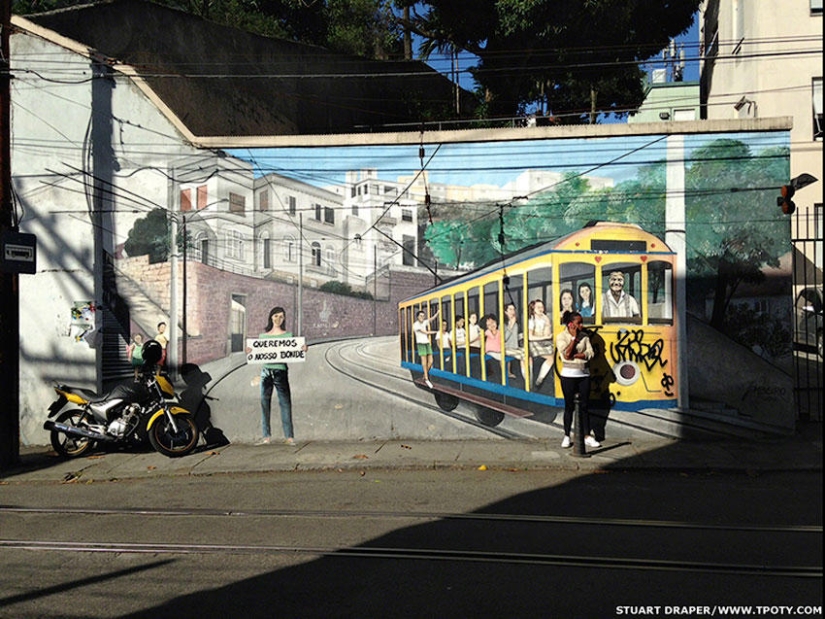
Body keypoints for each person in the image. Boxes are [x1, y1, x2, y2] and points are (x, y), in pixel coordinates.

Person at [257, 306, 304, 445]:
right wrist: (250, 350)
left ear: (284, 319)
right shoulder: (263, 336)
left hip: (280, 371)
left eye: (281, 316)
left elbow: (294, 350)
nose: (278, 319)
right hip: (266, 371)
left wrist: (302, 348)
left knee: (285, 403)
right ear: (271, 317)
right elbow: (257, 352)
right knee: (264, 404)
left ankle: (289, 437)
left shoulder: (288, 336)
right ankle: (266, 436)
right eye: (276, 316)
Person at [555, 310, 600, 449]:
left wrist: (578, 355)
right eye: (578, 323)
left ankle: (587, 436)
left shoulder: (585, 336)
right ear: (570, 324)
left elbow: (590, 353)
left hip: (584, 375)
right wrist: (574, 339)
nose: (581, 325)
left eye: (581, 322)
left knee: (585, 406)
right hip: (568, 375)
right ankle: (567, 435)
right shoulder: (561, 336)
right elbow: (567, 355)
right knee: (569, 407)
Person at [527, 299, 554, 388]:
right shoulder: (531, 320)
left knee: (555, 354)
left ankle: (541, 378)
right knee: (551, 358)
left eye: (542, 307)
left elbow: (547, 334)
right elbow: (530, 337)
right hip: (533, 343)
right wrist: (545, 337)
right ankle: (539, 380)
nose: (540, 309)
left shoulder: (544, 318)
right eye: (538, 307)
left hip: (543, 342)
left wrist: (548, 323)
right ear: (533, 308)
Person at [413, 306, 440, 388]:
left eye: (423, 316)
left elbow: (431, 319)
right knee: (424, 361)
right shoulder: (415, 325)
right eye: (421, 316)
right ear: (417, 317)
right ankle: (426, 378)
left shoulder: (424, 322)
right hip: (421, 344)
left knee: (431, 361)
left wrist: (437, 313)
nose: (422, 317)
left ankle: (424, 375)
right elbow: (425, 332)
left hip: (427, 343)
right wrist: (436, 332)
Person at [503, 303, 524, 379]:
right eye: (510, 309)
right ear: (506, 312)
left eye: (514, 309)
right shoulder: (502, 324)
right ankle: (526, 378)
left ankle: (527, 376)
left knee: (528, 353)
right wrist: (511, 325)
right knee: (524, 356)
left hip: (515, 347)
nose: (513, 311)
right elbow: (504, 339)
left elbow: (516, 337)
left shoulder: (516, 324)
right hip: (506, 348)